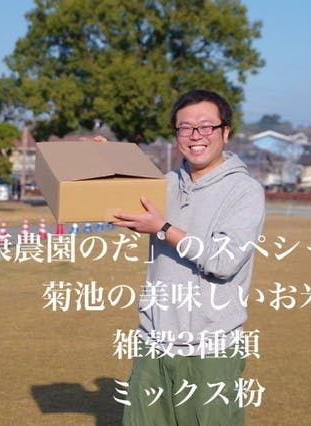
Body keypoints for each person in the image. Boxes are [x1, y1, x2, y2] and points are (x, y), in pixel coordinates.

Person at [112, 89, 265, 425]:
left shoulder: (245, 191)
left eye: (206, 126)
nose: (196, 136)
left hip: (210, 351)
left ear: (225, 132)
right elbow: (117, 201)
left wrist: (164, 228)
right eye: (185, 128)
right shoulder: (164, 184)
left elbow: (223, 261)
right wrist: (104, 159)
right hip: (153, 343)